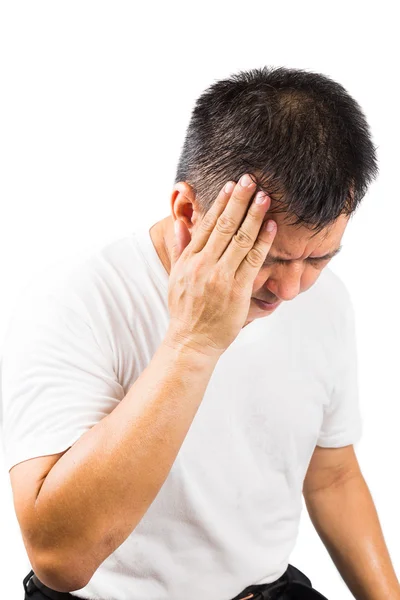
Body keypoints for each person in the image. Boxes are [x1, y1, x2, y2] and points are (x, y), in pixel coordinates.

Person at [2, 65, 399, 600]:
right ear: (189, 211)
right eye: (268, 257)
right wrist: (193, 343)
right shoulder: (76, 297)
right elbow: (58, 559)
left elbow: (331, 476)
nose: (290, 289)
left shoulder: (326, 300)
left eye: (320, 258)